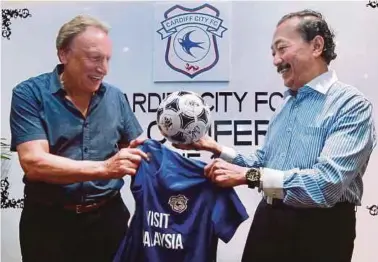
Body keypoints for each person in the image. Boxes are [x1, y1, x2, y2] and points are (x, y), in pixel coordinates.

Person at [174, 9, 376, 262]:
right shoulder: (286, 104)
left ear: (316, 45)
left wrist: (249, 176)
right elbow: (264, 161)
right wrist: (215, 148)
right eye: (273, 53)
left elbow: (326, 185)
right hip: (268, 222)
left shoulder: (351, 105)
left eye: (282, 49)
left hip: (321, 231)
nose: (275, 60)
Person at [9, 15, 148, 262]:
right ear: (64, 55)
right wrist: (105, 168)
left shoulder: (115, 98)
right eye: (95, 58)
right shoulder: (29, 94)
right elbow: (34, 163)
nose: (103, 69)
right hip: (49, 224)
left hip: (109, 220)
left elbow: (139, 151)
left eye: (107, 60)